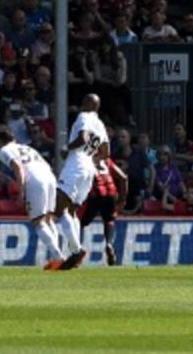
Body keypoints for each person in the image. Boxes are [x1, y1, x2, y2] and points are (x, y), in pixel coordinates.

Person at [53, 94, 109, 270]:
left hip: (76, 163)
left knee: (59, 207)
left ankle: (76, 251)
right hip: (89, 167)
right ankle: (74, 254)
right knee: (72, 210)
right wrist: (92, 161)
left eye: (84, 101)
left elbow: (83, 137)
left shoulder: (84, 116)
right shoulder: (100, 124)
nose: (81, 104)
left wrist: (66, 147)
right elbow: (106, 152)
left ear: (88, 104)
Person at [0, 125, 63, 269]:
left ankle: (58, 257)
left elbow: (17, 167)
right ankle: (56, 257)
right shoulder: (28, 147)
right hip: (50, 177)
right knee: (49, 218)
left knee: (38, 221)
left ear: (0, 141)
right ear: (14, 138)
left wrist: (21, 192)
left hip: (35, 181)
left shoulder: (4, 150)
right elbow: (47, 165)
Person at [82, 149, 127, 266]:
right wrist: (122, 199)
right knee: (109, 220)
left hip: (95, 194)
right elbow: (123, 178)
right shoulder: (105, 160)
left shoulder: (84, 160)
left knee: (79, 222)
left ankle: (75, 250)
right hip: (111, 193)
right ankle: (109, 243)